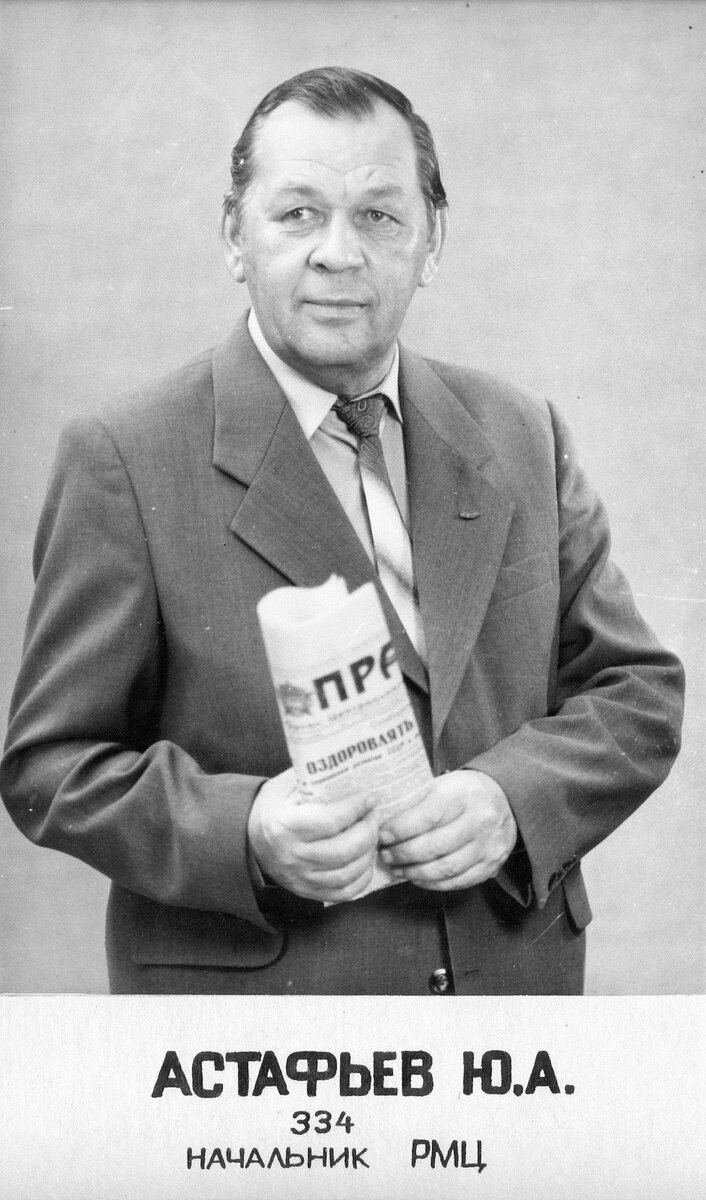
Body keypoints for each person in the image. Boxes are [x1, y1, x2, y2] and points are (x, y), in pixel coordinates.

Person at [0, 67, 684, 996]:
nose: (339, 254)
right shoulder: (124, 456)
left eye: (378, 216)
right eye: (298, 213)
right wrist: (246, 828)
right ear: (234, 236)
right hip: (259, 1038)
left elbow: (638, 692)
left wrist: (511, 800)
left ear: (431, 242)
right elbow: (49, 766)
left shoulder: (523, 431)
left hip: (509, 1015)